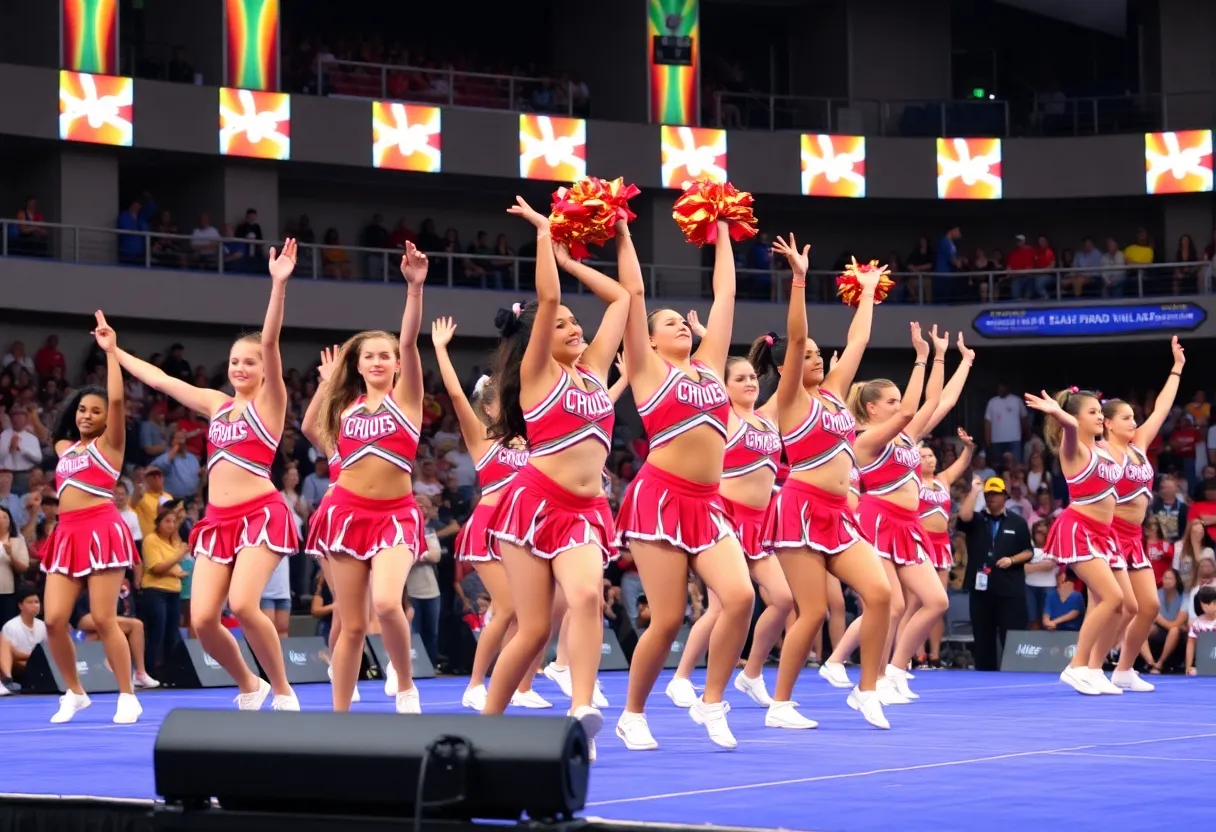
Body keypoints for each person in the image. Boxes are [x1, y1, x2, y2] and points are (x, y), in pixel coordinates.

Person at [110, 240, 301, 711]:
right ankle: (248, 684)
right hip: (217, 520)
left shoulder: (270, 404)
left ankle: (282, 689)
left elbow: (272, 341)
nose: (240, 367)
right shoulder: (217, 404)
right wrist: (116, 352)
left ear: (264, 370)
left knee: (242, 603)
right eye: (235, 361)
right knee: (203, 619)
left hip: (259, 513)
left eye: (249, 362)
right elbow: (161, 381)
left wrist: (278, 285)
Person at [482, 196, 629, 761]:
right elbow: (546, 299)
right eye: (563, 323)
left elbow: (621, 299)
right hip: (534, 504)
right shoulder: (538, 373)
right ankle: (488, 724)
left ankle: (581, 709)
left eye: (576, 322)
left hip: (587, 510)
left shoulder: (592, 373)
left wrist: (575, 262)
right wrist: (546, 238)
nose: (574, 326)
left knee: (588, 595)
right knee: (534, 629)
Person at [615, 215, 755, 750]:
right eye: (667, 322)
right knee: (669, 618)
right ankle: (633, 712)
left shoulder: (712, 366)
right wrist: (626, 233)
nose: (679, 325)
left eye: (681, 321)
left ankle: (712, 701)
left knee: (740, 597)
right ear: (647, 340)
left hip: (706, 503)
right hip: (659, 498)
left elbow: (726, 292)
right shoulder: (648, 369)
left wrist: (721, 228)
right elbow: (632, 292)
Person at [755, 236, 893, 729]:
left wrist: (870, 292)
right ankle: (780, 704)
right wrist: (798, 278)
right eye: (807, 355)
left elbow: (856, 341)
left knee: (880, 595)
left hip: (840, 513)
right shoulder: (792, 400)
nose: (814, 358)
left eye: (818, 355)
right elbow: (795, 339)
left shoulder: (835, 394)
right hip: (801, 507)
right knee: (811, 612)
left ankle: (867, 690)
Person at [314, 242, 431, 714]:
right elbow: (307, 428)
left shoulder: (409, 401)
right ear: (358, 365)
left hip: (395, 517)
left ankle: (404, 682)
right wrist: (325, 383)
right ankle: (340, 715)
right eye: (370, 357)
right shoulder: (343, 410)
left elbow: (408, 341)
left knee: (387, 604)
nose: (380, 361)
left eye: (386, 356)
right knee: (350, 621)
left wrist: (414, 290)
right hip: (344, 514)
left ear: (397, 364)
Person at [664, 351, 792, 717]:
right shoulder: (725, 417)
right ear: (724, 386)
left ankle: (751, 674)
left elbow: (790, 379)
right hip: (725, 518)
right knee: (722, 606)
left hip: (759, 522)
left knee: (783, 599)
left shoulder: (767, 418)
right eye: (740, 379)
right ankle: (682, 678)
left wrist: (788, 351)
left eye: (753, 377)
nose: (751, 383)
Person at [431, 322, 550, 710]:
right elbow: (453, 393)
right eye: (505, 402)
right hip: (487, 528)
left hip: (523, 530)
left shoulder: (535, 438)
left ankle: (523, 686)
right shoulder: (482, 437)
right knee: (508, 608)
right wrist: (441, 349)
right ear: (487, 406)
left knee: (532, 614)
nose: (514, 407)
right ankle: (475, 684)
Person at [41, 312, 141, 723]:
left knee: (103, 617)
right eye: (82, 409)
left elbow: (117, 399)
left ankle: (127, 694)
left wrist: (111, 352)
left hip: (101, 528)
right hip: (66, 534)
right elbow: (55, 432)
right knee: (54, 619)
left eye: (95, 411)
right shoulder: (65, 448)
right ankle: (75, 692)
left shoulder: (111, 446)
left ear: (105, 418)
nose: (86, 415)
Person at [847, 326, 948, 702]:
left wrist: (938, 355)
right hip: (877, 519)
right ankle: (868, 682)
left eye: (896, 401)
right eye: (889, 402)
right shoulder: (866, 439)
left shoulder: (906, 437)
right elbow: (909, 410)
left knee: (936, 601)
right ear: (872, 408)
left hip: (908, 524)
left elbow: (933, 401)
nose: (898, 406)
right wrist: (919, 358)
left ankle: (894, 670)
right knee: (890, 605)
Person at [1025, 387, 1125, 694]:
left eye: (1100, 411)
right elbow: (1068, 427)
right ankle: (1076, 666)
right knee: (1113, 598)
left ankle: (1094, 669)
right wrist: (1057, 412)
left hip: (1103, 535)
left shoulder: (1104, 449)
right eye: (1092, 412)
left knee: (1117, 606)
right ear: (1076, 419)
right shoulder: (1074, 449)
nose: (1099, 416)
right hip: (1079, 529)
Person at [1102, 337, 1185, 691]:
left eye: (1135, 417)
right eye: (1126, 418)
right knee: (1119, 606)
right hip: (1109, 532)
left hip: (1135, 537)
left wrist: (1177, 367)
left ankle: (1123, 669)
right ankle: (1087, 666)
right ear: (1107, 423)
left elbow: (1162, 409)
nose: (1134, 422)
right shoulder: (1101, 449)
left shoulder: (1138, 445)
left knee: (1148, 607)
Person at [956, 477, 1033, 669]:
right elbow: (963, 517)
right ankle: (984, 674)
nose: (991, 498)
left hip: (1009, 588)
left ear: (1005, 497)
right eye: (988, 494)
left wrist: (1012, 560)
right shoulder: (977, 519)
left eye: (996, 494)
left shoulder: (1017, 522)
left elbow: (1028, 551)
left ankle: (1014, 674)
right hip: (981, 589)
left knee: (1012, 635)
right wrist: (974, 491)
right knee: (982, 637)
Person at [914, 428, 974, 666]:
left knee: (939, 602)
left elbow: (962, 463)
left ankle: (935, 654)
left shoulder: (943, 480)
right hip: (920, 542)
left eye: (931, 456)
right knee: (917, 601)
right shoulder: (911, 481)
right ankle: (916, 653)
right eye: (922, 456)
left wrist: (968, 447)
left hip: (941, 543)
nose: (929, 459)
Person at [70, 585, 159, 688]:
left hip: (104, 616)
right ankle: (134, 674)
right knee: (135, 625)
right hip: (83, 617)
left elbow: (127, 611)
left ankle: (138, 674)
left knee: (133, 627)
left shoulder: (120, 588)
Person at [139, 505, 189, 677]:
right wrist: (179, 556)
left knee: (172, 633)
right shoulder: (151, 540)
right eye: (167, 521)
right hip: (155, 591)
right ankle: (149, 671)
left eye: (174, 522)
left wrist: (177, 571)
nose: (171, 525)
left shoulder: (174, 542)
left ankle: (170, 671)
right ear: (158, 523)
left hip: (173, 591)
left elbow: (168, 566)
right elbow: (156, 568)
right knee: (156, 632)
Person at [0, 586, 45, 694]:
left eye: (37, 602)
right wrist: (33, 657)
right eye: (30, 602)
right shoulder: (11, 626)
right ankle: (8, 681)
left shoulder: (43, 626)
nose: (35, 605)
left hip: (38, 666)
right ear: (20, 605)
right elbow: (11, 653)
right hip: (17, 667)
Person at [1141, 567, 1187, 672]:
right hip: (1159, 629)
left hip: (1178, 633)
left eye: (1170, 578)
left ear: (1177, 580)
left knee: (1174, 631)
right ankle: (1150, 661)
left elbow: (1176, 624)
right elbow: (1149, 616)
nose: (1167, 581)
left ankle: (1160, 664)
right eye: (1165, 578)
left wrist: (1157, 618)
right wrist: (1156, 618)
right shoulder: (1156, 593)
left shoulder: (1184, 596)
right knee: (1142, 629)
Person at [1184, 585, 1216, 675]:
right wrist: (1188, 666)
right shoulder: (1197, 623)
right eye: (1203, 605)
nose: (1206, 607)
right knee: (1193, 672)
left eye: (1209, 604)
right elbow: (1191, 643)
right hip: (1205, 663)